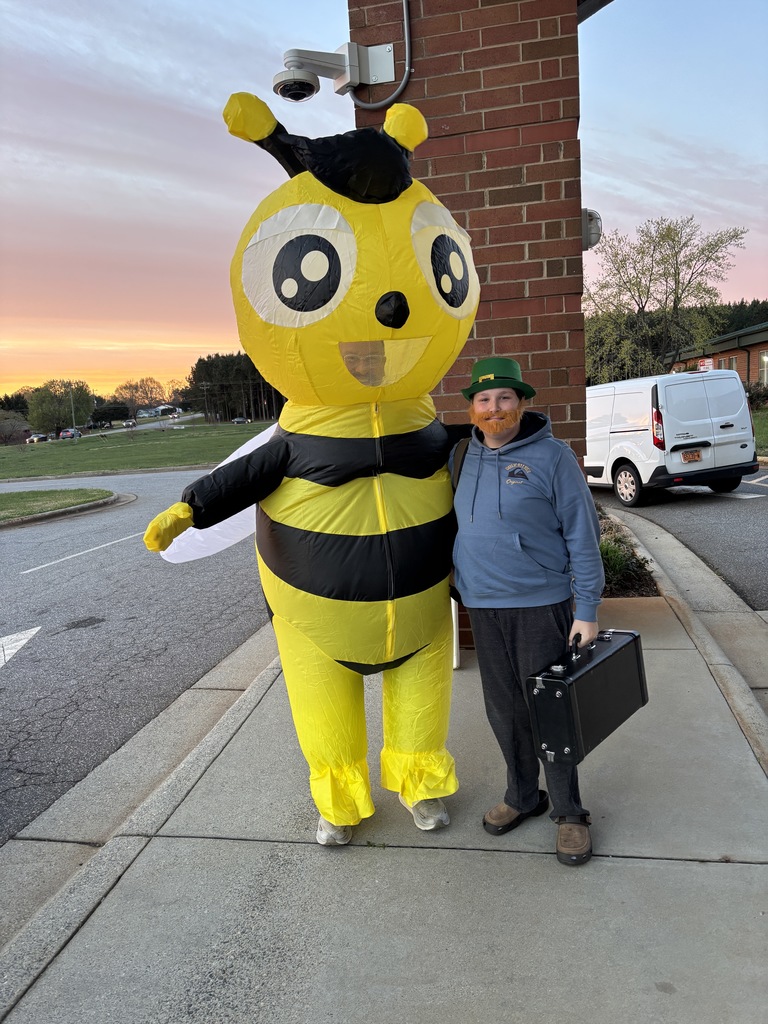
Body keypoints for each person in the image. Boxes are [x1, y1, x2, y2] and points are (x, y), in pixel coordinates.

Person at [450, 357, 605, 866]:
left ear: (522, 403)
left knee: (549, 711)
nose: (495, 409)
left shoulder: (553, 457)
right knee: (505, 712)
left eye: (505, 399)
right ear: (472, 408)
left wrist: (587, 608)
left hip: (541, 605)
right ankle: (523, 796)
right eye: (484, 400)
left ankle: (570, 812)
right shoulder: (459, 457)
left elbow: (583, 535)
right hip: (483, 607)